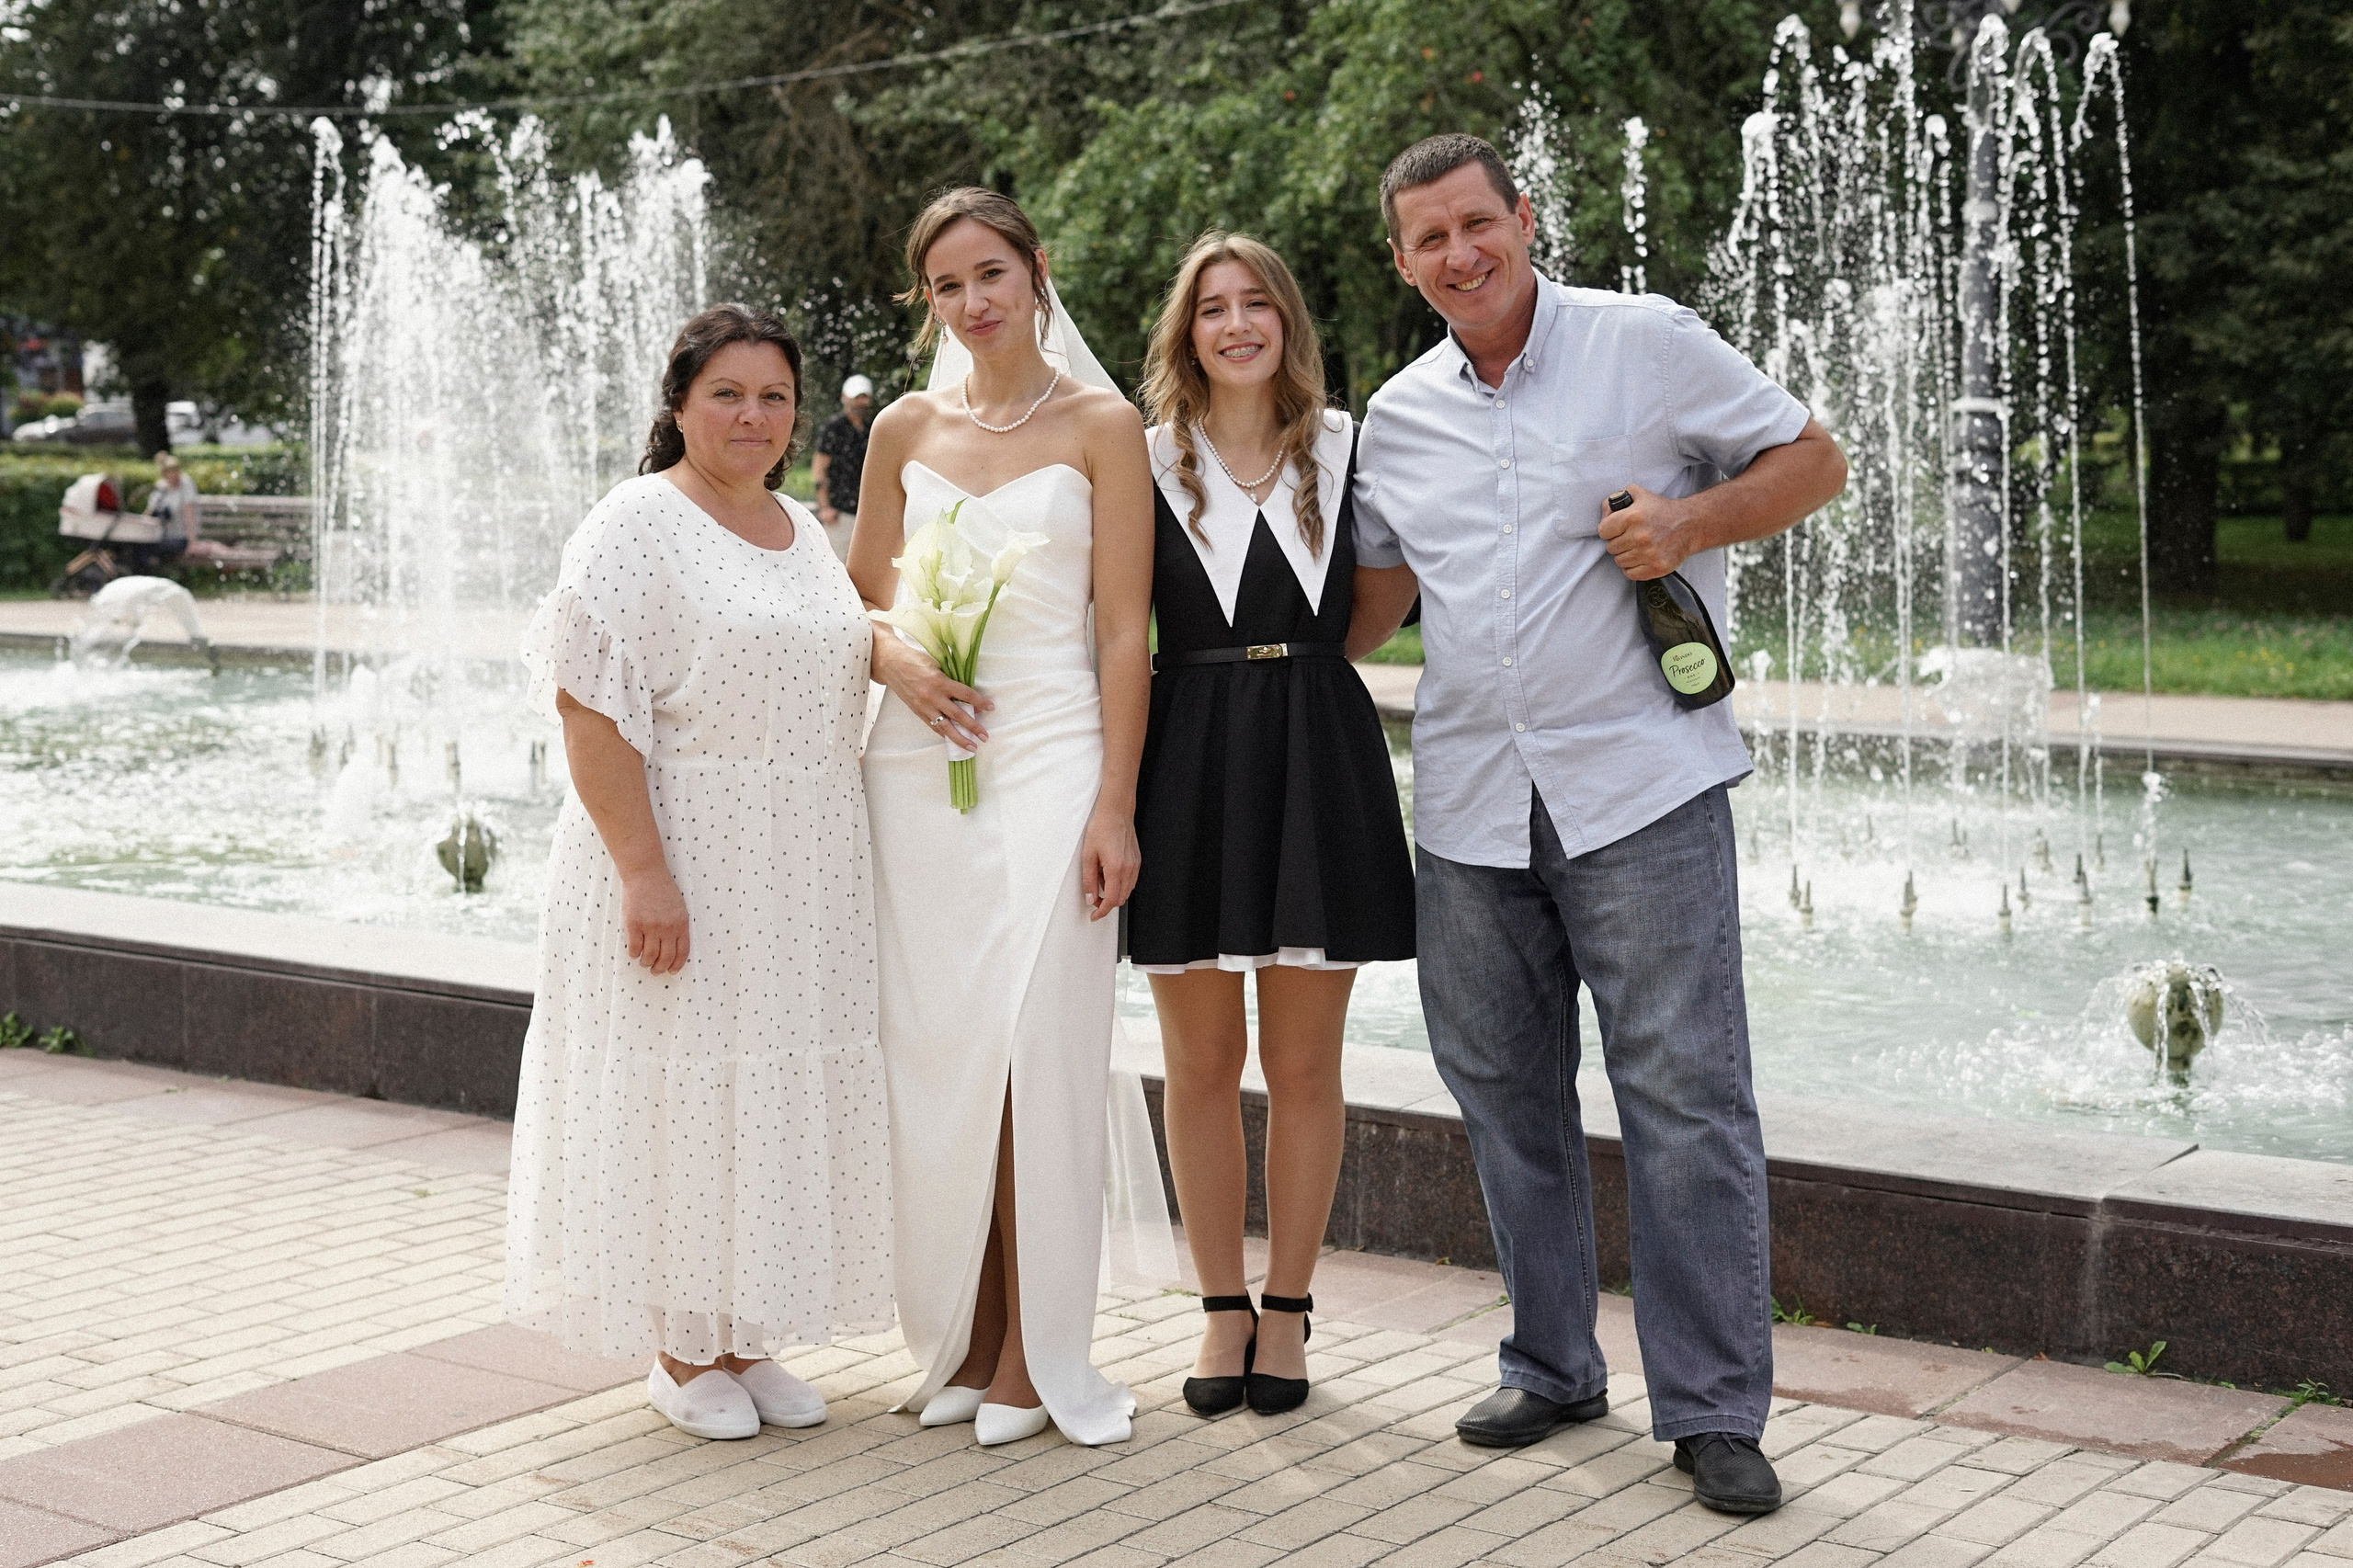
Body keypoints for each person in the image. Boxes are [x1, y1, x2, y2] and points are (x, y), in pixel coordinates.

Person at [1347, 135, 1848, 1513]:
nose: (1459, 254)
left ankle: (1712, 1409)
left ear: (1522, 218)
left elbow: (1816, 460)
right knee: (1505, 1095)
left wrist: (1688, 523)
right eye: (1428, 240)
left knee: (1684, 1101)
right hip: (1466, 809)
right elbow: (1370, 612)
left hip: (1642, 789)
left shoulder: (1648, 341)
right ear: (1402, 265)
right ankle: (1554, 1361)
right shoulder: (1397, 418)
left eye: (1475, 224)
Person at [506, 304, 894, 1442]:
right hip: (685, 847)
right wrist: (643, 872)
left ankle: (744, 1333)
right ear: (678, 402)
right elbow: (587, 702)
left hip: (802, 865)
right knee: (686, 1088)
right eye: (728, 392)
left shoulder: (797, 525)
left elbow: (844, 641)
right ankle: (680, 1350)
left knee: (762, 1090)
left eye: (774, 396)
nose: (753, 415)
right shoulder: (635, 522)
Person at [850, 186, 1167, 1449]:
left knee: (1041, 1050)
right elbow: (862, 604)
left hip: (1051, 761)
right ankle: (971, 1339)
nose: (972, 301)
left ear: (1037, 272)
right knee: (945, 1061)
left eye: (990, 273)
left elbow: (1122, 629)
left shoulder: (1103, 424)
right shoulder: (902, 430)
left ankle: (1045, 1348)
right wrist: (903, 668)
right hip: (918, 770)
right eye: (946, 284)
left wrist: (1116, 805)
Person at [1130, 232, 1414, 1417]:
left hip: (1315, 752)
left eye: (1256, 303)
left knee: (1303, 1061)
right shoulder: (1141, 457)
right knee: (1198, 1062)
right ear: (1185, 333)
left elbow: (1386, 595)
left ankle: (1288, 1307)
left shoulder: (1351, 447)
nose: (1236, 323)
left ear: (1288, 321)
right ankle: (1217, 1309)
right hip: (1184, 754)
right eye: (1212, 308)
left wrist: (1289, 675)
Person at [811, 374, 873, 562]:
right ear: (844, 398)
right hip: (839, 512)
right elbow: (819, 467)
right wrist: (825, 507)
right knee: (834, 565)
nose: (860, 402)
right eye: (856, 397)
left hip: (865, 512)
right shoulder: (834, 427)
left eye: (864, 397)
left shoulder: (871, 428)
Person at [129, 451, 197, 571]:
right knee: (136, 546)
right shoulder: (160, 487)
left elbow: (189, 514)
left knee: (147, 548)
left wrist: (192, 543)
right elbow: (149, 512)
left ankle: (146, 575)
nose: (173, 475)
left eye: (175, 471)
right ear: (164, 473)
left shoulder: (185, 484)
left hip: (180, 537)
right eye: (170, 472)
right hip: (160, 536)